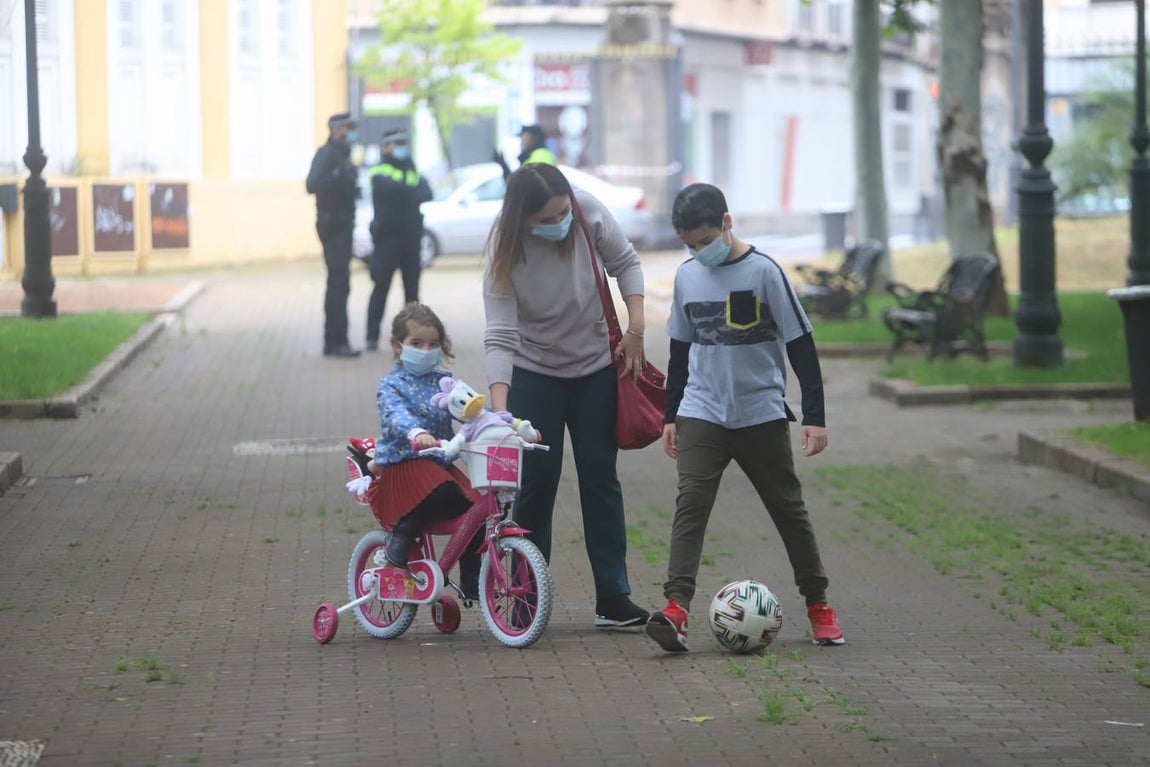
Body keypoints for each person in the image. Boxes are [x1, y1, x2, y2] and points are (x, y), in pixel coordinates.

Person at [644, 182, 845, 653]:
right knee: (691, 505)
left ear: (727, 223)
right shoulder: (687, 276)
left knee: (788, 510)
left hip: (760, 414)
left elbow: (801, 344)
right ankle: (675, 609)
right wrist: (671, 415)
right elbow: (679, 351)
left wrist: (814, 415)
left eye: (704, 240)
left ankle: (819, 605)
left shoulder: (764, 272)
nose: (699, 252)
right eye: (689, 244)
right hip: (702, 411)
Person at [483, 163, 649, 628]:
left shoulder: (587, 210)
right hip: (535, 372)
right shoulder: (504, 247)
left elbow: (626, 263)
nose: (560, 222)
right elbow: (500, 335)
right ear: (523, 218)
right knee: (536, 483)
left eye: (563, 212)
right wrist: (501, 414)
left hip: (595, 367)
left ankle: (613, 597)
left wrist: (636, 329)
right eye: (547, 218)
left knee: (601, 480)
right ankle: (525, 598)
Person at [365, 302, 481, 597]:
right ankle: (401, 536)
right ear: (398, 345)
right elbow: (395, 414)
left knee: (477, 510)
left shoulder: (446, 384)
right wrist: (417, 432)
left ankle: (473, 582)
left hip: (437, 465)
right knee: (442, 490)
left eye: (433, 344)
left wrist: (507, 425)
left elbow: (472, 408)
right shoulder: (391, 385)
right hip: (405, 467)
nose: (426, 350)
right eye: (417, 343)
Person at [366, 129, 433, 351]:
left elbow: (427, 192)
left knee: (412, 292)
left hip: (411, 238)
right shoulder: (379, 170)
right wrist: (411, 193)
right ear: (386, 147)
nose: (402, 148)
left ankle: (413, 338)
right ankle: (371, 337)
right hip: (387, 240)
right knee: (381, 288)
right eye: (397, 144)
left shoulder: (412, 169)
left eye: (404, 143)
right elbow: (391, 191)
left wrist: (405, 194)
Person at [306, 112, 361, 358]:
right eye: (348, 128)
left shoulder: (343, 155)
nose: (351, 133)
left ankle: (338, 340)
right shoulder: (326, 154)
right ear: (337, 130)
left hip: (344, 224)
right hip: (332, 226)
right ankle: (335, 342)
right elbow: (311, 185)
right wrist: (337, 176)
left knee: (341, 284)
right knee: (338, 284)